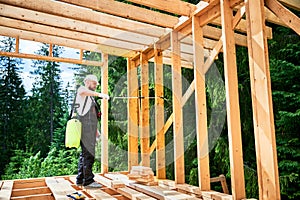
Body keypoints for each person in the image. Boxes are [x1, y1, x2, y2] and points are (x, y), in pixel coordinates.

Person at [74, 74, 109, 188]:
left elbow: (92, 115)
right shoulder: (82, 90)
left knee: (85, 154)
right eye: (94, 84)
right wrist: (100, 95)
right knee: (89, 154)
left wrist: (96, 131)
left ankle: (80, 179)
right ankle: (88, 181)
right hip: (85, 127)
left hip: (90, 127)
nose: (95, 86)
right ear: (87, 82)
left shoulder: (90, 97)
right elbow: (83, 91)